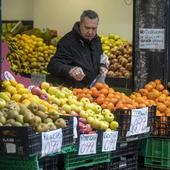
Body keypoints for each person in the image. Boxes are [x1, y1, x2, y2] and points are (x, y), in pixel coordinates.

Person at [47, 10, 108, 88]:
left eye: (94, 28)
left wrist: (102, 66)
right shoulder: (67, 42)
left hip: (91, 90)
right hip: (73, 91)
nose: (90, 32)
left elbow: (100, 57)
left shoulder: (96, 40)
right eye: (87, 28)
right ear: (80, 24)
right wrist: (70, 70)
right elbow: (53, 65)